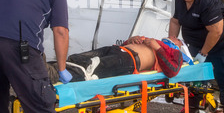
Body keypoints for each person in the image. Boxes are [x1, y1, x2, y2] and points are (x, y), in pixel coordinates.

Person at [46, 36, 190, 83]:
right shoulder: (155, 39)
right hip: (117, 49)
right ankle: (45, 66)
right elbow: (129, 43)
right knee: (77, 58)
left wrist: (157, 48)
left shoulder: (174, 53)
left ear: (179, 45)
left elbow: (171, 71)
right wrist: (131, 40)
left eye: (176, 38)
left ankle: (50, 74)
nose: (172, 37)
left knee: (89, 69)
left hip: (129, 60)